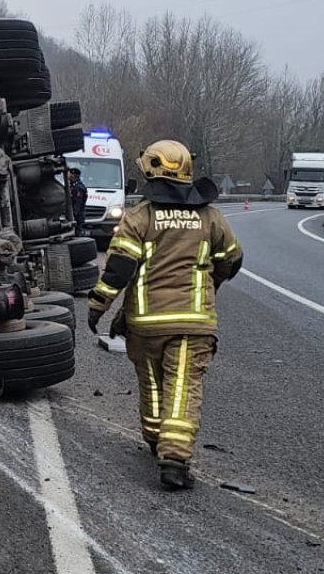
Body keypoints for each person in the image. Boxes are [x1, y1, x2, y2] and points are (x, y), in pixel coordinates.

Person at [86, 140, 243, 490]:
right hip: (193, 322)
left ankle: (157, 439)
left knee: (154, 384)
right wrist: (210, 282)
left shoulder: (139, 217)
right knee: (183, 387)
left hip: (144, 324)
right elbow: (232, 259)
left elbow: (118, 270)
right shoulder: (210, 217)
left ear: (149, 171)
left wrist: (98, 305)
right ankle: (174, 458)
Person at [68, 168, 88, 236]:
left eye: (69, 174)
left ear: (73, 175)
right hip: (75, 215)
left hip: (77, 216)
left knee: (76, 235)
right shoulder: (72, 185)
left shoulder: (78, 187)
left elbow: (77, 203)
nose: (68, 176)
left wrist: (73, 215)